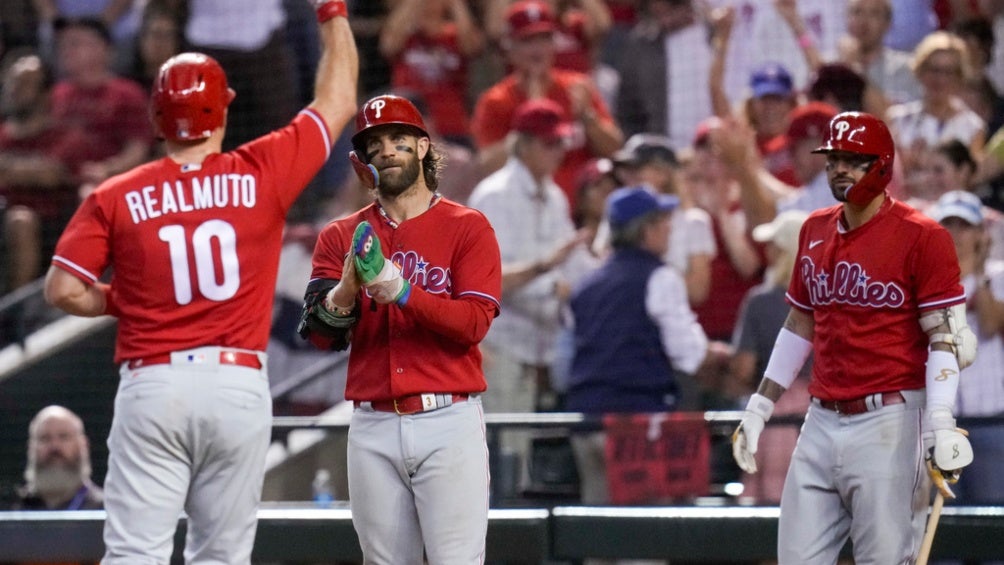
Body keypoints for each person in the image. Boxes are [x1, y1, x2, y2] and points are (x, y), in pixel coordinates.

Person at [41, 1, 358, 562]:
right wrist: (332, 12)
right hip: (235, 385)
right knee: (221, 556)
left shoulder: (117, 193)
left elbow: (62, 289)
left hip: (154, 383)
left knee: (135, 553)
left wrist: (126, 302)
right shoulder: (261, 171)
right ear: (223, 113)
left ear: (157, 118)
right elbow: (336, 103)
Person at [731, 111, 977, 563]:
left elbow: (943, 336)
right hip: (820, 417)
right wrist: (760, 405)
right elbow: (800, 323)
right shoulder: (813, 228)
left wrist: (940, 422)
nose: (840, 168)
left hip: (890, 419)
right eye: (833, 159)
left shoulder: (922, 235)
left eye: (853, 159)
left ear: (881, 164)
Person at [297, 93, 502, 563]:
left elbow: (473, 324)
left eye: (398, 139)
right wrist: (346, 289)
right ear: (363, 162)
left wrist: (400, 290)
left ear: (423, 147)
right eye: (375, 144)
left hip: (447, 418)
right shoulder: (339, 235)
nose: (386, 150)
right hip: (373, 424)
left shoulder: (468, 227)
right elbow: (321, 335)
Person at [565, 185, 708, 502]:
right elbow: (689, 356)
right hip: (636, 426)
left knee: (596, 536)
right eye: (661, 222)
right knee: (641, 538)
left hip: (585, 421)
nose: (668, 228)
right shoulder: (660, 277)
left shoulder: (587, 283)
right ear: (645, 230)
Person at [471, 0, 623, 208]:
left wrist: (588, 118)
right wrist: (529, 123)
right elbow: (487, 165)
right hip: (523, 208)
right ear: (510, 48)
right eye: (527, 40)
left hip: (581, 211)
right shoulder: (497, 100)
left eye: (544, 39)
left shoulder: (577, 88)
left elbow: (615, 150)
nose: (537, 49)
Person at [928, 190, 1004, 506]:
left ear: (979, 233)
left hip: (988, 419)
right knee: (945, 529)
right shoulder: (926, 282)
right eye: (949, 225)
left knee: (993, 526)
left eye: (964, 226)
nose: (956, 234)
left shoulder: (997, 276)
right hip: (943, 424)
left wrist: (980, 269)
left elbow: (989, 324)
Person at [10, 405, 103, 511]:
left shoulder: (107, 511)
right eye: (45, 438)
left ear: (83, 445)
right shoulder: (12, 510)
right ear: (31, 448)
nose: (54, 446)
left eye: (64, 437)